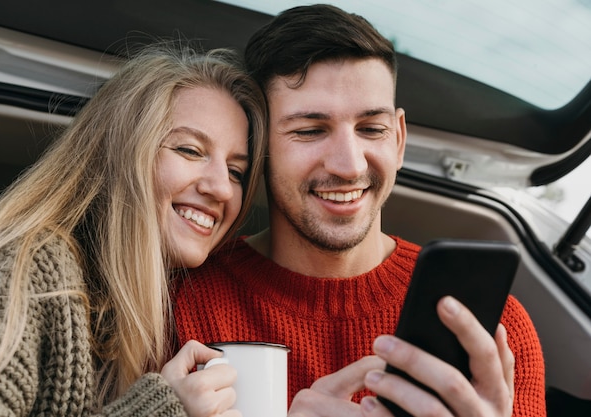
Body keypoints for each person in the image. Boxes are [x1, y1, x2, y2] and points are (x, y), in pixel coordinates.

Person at [173, 4, 546, 417]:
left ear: (399, 139)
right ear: (260, 146)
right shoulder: (176, 301)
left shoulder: (491, 329)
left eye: (371, 129)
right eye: (310, 131)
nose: (349, 165)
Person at [0, 43, 267, 416]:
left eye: (236, 172)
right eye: (190, 150)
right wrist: (163, 410)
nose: (221, 188)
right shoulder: (26, 266)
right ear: (121, 150)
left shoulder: (136, 303)